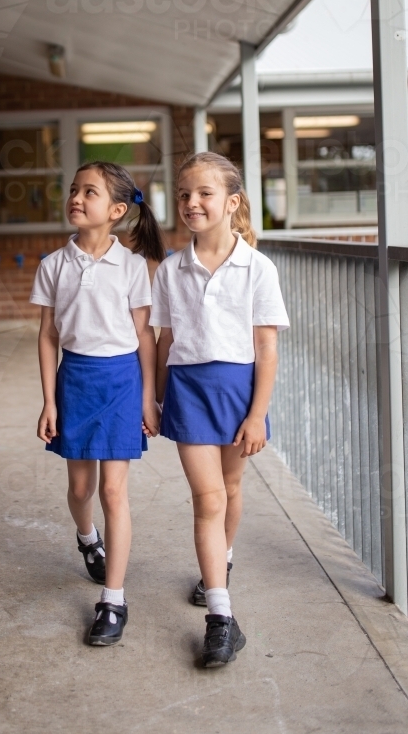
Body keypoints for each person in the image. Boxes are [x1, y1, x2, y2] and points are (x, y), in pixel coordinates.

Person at [151, 152, 289, 667]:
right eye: (184, 194)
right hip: (188, 391)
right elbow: (164, 343)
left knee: (231, 489)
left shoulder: (259, 267)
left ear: (231, 203)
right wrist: (156, 397)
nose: (192, 203)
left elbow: (267, 347)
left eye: (204, 194)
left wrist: (257, 414)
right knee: (208, 498)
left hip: (238, 391)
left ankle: (221, 562)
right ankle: (221, 618)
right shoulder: (170, 269)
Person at [31, 161, 165, 646]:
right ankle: (89, 539)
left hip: (123, 382)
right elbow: (47, 336)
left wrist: (149, 398)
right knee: (81, 487)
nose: (76, 197)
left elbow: (145, 338)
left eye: (89, 191)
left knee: (114, 491)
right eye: (73, 189)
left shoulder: (132, 267)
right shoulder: (53, 265)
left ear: (116, 210)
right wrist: (48, 401)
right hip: (75, 381)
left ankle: (113, 600)